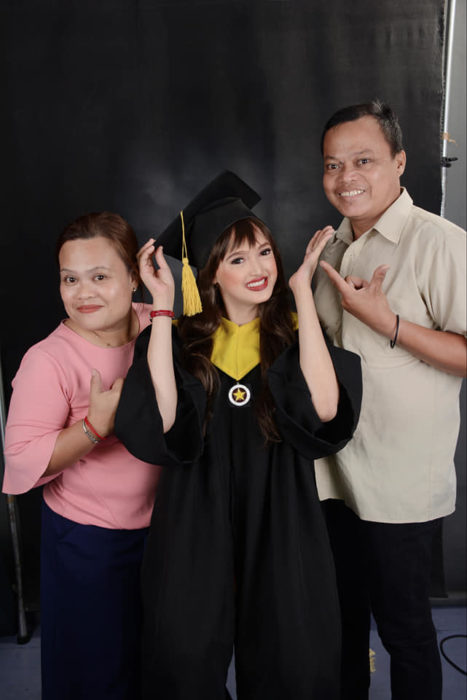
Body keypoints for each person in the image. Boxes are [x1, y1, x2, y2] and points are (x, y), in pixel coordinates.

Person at [115, 171, 362, 700]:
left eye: (266, 252)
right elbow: (161, 419)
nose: (259, 269)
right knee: (182, 653)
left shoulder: (292, 335)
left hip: (281, 511)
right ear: (211, 274)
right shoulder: (185, 341)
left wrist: (302, 293)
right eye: (237, 259)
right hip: (195, 510)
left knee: (292, 654)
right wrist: (162, 305)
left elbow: (325, 408)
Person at [312, 100, 467, 700]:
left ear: (400, 162)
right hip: (333, 472)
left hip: (398, 481)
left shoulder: (439, 244)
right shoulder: (330, 246)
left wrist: (390, 323)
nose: (345, 176)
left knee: (404, 632)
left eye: (363, 160)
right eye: (332, 164)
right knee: (342, 623)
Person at [3, 212, 162, 700]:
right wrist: (94, 427)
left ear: (134, 278)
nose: (83, 293)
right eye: (70, 279)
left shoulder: (160, 326)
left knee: (161, 666)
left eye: (99, 276)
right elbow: (23, 461)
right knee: (98, 675)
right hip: (89, 543)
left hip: (166, 535)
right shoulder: (48, 359)